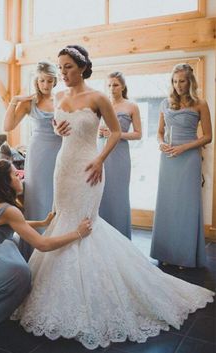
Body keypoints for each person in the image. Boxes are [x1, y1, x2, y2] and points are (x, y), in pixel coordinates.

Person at [12, 46, 214, 350]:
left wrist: (99, 161)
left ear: (81, 67)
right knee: (63, 219)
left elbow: (117, 133)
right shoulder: (58, 97)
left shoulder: (98, 98)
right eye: (60, 67)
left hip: (90, 167)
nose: (63, 74)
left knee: (86, 225)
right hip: (63, 167)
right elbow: (57, 126)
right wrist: (57, 125)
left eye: (67, 67)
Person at [0, 159, 92, 327]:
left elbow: (14, 225)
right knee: (19, 273)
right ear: (5, 181)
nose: (20, 176)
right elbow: (43, 245)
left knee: (8, 245)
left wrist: (41, 223)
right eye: (15, 174)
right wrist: (78, 233)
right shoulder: (8, 210)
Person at [150, 63, 212, 269]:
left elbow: (208, 137)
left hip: (189, 158)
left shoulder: (200, 104)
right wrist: (161, 143)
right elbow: (159, 132)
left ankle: (185, 256)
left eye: (182, 81)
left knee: (186, 206)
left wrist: (184, 148)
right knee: (168, 205)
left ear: (190, 81)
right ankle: (165, 253)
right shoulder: (164, 104)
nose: (178, 85)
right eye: (175, 81)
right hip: (168, 157)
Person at [4, 61, 62, 260]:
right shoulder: (30, 102)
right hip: (38, 153)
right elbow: (8, 125)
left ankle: (54, 250)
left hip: (60, 152)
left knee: (57, 197)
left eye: (49, 80)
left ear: (55, 81)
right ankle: (33, 252)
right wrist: (14, 100)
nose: (45, 85)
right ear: (37, 81)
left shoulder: (61, 100)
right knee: (37, 198)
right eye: (42, 80)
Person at [98, 71, 142, 239]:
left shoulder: (131, 106)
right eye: (109, 85)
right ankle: (102, 238)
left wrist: (116, 134)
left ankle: (121, 237)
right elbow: (96, 129)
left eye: (115, 85)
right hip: (101, 150)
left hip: (120, 153)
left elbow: (138, 134)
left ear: (123, 86)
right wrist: (100, 133)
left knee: (118, 195)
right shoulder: (101, 104)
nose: (111, 88)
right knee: (101, 193)